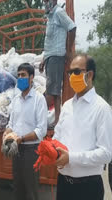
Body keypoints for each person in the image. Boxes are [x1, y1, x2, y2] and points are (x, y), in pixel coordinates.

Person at [53, 55, 112, 200]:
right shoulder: (67, 106)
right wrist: (52, 151)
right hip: (64, 186)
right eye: (69, 72)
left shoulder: (102, 109)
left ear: (90, 74)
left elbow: (105, 154)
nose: (72, 77)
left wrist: (71, 157)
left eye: (76, 71)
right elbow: (57, 136)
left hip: (88, 189)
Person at [3, 63, 48, 200]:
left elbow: (41, 130)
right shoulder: (16, 100)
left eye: (23, 75)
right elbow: (11, 124)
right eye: (19, 75)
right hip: (17, 149)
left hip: (31, 150)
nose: (20, 78)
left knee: (32, 193)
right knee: (18, 191)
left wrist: (21, 139)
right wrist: (7, 134)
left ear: (31, 77)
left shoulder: (39, 99)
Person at [40, 0, 77, 128]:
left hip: (56, 56)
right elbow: (50, 41)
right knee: (54, 90)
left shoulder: (59, 12)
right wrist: (44, 59)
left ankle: (48, 121)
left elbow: (72, 27)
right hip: (50, 56)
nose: (45, 2)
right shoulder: (50, 15)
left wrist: (67, 49)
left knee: (52, 91)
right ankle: (56, 121)